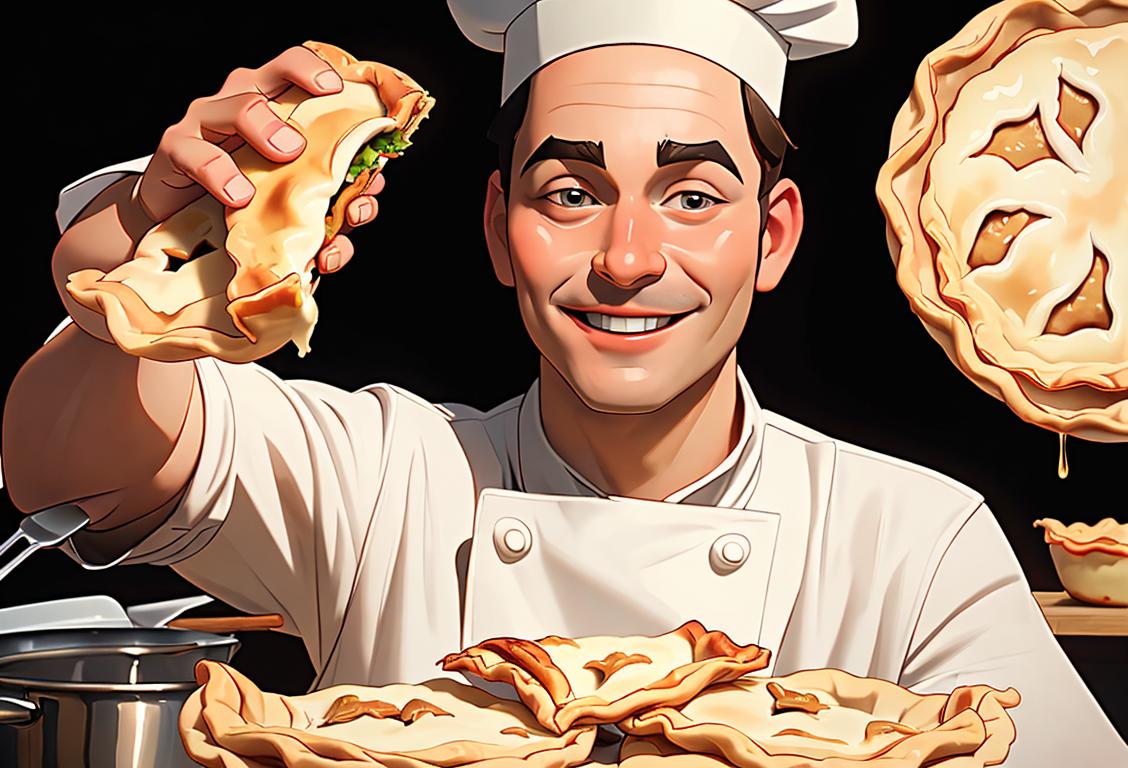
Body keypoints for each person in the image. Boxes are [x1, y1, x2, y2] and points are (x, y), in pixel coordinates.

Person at [3, 0, 1124, 763]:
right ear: (499, 229)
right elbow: (69, 466)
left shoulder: (913, 538)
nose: (628, 258)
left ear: (772, 237)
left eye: (690, 197)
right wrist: (139, 243)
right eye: (571, 195)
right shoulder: (386, 475)